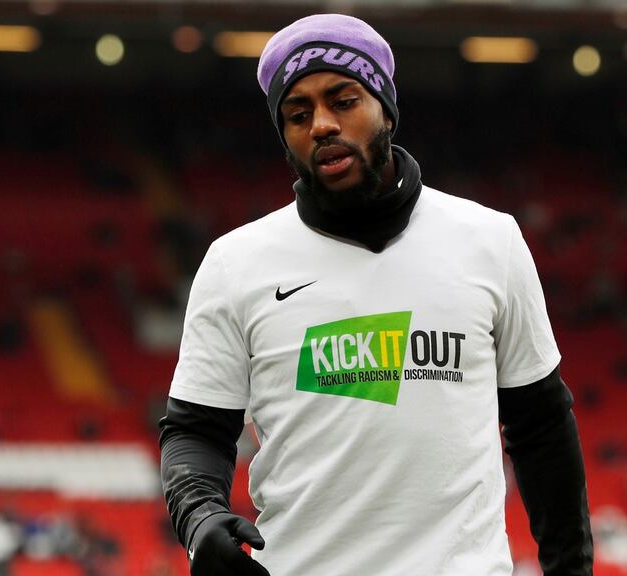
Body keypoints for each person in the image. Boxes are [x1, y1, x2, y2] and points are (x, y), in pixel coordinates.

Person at [160, 13, 593, 576]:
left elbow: (541, 428)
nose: (321, 125)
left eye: (343, 101)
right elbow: (194, 431)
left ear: (386, 107)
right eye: (298, 113)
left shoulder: (490, 240)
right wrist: (199, 518)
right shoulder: (236, 263)